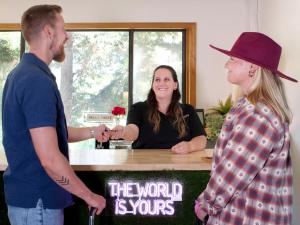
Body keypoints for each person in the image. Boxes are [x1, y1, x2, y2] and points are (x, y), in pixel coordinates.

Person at [2, 5, 108, 225]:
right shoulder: (36, 81)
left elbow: (49, 132)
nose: (67, 36)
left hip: (30, 203)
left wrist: (93, 132)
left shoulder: (22, 74)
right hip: (38, 204)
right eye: (63, 28)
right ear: (49, 32)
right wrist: (89, 196)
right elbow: (49, 158)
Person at [195, 32, 297, 225]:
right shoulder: (248, 106)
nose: (227, 64)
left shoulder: (258, 114)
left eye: (232, 59)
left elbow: (232, 174)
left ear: (252, 67)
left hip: (246, 217)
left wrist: (204, 206)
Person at [110, 65, 207, 154]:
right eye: (157, 80)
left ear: (175, 85)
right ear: (152, 85)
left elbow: (201, 139)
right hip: (144, 168)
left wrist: (190, 146)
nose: (161, 83)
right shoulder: (138, 108)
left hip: (180, 167)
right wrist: (123, 131)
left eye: (167, 79)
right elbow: (133, 131)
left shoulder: (188, 110)